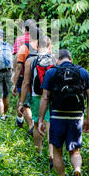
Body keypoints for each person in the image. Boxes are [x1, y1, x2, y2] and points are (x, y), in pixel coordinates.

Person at [37, 49, 89, 176]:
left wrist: (40, 120)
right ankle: (77, 170)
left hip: (57, 116)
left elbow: (45, 97)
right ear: (71, 58)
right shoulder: (82, 72)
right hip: (76, 116)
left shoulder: (51, 72)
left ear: (57, 60)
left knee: (57, 152)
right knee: (75, 151)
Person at [18, 35, 56, 166]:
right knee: (50, 123)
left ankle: (38, 153)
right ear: (49, 46)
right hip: (52, 96)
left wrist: (21, 103)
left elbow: (26, 82)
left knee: (36, 124)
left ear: (36, 46)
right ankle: (51, 154)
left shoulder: (31, 60)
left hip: (36, 96)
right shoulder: (54, 59)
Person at [12, 26, 40, 134]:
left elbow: (19, 67)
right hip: (42, 80)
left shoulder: (25, 48)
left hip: (27, 79)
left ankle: (32, 126)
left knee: (25, 104)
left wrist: (15, 83)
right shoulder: (45, 48)